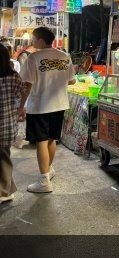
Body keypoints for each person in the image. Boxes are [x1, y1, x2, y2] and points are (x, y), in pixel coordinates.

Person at [18, 27, 75, 193]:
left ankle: (44, 181)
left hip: (40, 105)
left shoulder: (34, 57)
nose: (32, 42)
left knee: (41, 141)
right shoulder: (64, 56)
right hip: (60, 104)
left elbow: (27, 84)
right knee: (51, 139)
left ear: (41, 40)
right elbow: (71, 81)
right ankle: (48, 171)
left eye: (34, 39)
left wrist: (21, 107)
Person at [0, 43, 24, 203]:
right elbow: (20, 96)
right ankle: (8, 189)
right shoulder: (14, 76)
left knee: (3, 159)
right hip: (8, 125)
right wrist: (19, 112)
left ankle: (4, 192)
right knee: (4, 157)